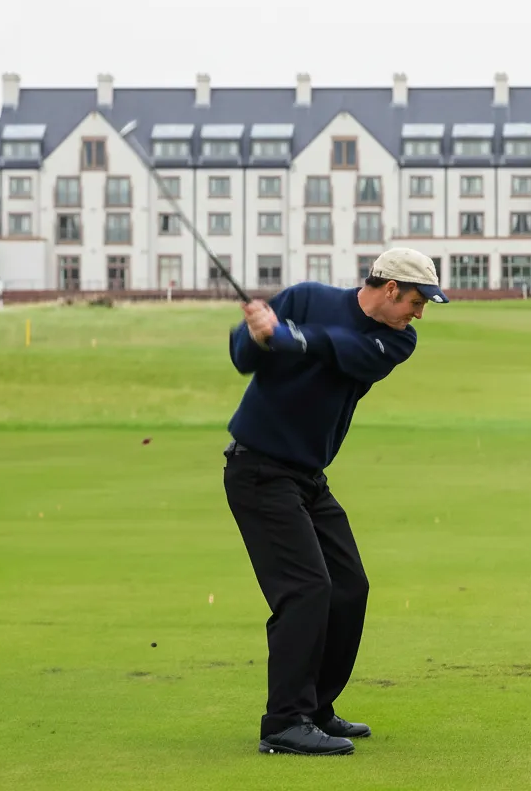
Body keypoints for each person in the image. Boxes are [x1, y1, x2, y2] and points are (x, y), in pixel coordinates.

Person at [222, 248, 449, 757]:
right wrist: (257, 335)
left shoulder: (395, 341)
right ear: (390, 288)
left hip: (306, 477)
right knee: (306, 587)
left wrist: (286, 335)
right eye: (416, 301)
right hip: (257, 469)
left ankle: (315, 709)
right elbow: (242, 357)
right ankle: (284, 721)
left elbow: (338, 347)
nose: (420, 314)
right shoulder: (305, 297)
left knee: (349, 586)